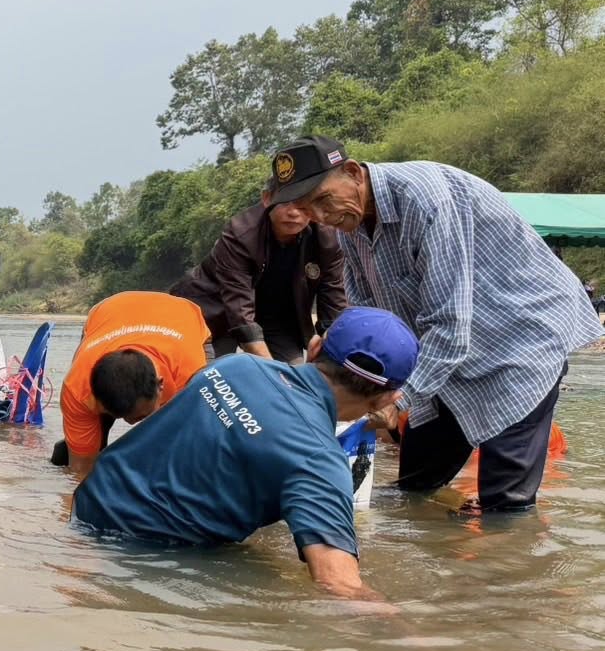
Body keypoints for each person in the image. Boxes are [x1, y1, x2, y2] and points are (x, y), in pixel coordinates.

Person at [270, 134, 603, 513]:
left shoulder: (426, 201)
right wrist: (338, 362)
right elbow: (370, 318)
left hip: (518, 343)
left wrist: (395, 401)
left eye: (323, 200)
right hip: (446, 357)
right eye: (308, 209)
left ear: (352, 172)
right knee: (414, 486)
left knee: (503, 505)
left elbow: (450, 328)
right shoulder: (352, 225)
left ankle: (505, 547)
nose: (321, 217)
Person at [73, 307, 419, 600]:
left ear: (315, 347)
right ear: (386, 399)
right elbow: (338, 584)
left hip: (86, 507)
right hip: (143, 556)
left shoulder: (232, 367)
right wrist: (411, 637)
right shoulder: (320, 461)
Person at [171, 177, 346, 362]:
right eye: (285, 202)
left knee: (294, 374)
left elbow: (333, 305)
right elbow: (239, 311)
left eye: (302, 203)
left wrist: (332, 356)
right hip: (214, 311)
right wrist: (272, 371)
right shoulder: (240, 234)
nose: (294, 212)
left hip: (275, 318)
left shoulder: (327, 238)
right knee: (213, 373)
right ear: (267, 199)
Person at [53, 291, 211, 480]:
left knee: (181, 443)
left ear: (161, 386)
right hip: (110, 311)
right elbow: (80, 469)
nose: (130, 423)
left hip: (182, 315)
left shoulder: (192, 380)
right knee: (90, 442)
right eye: (118, 414)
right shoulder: (78, 388)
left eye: (141, 415)